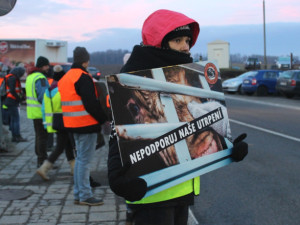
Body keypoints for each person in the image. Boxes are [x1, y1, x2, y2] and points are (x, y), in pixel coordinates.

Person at [108, 9, 248, 225]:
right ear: (159, 42)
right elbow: (117, 135)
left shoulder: (184, 74)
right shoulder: (132, 78)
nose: (185, 46)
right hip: (151, 194)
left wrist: (229, 149)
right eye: (177, 40)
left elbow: (196, 118)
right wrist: (117, 178)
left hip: (183, 188)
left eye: (187, 41)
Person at [58, 47, 108, 206]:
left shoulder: (66, 77)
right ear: (86, 61)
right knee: (84, 162)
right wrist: (103, 119)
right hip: (86, 124)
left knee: (80, 160)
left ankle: (79, 194)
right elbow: (91, 103)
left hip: (71, 125)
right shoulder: (83, 77)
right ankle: (85, 195)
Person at [36, 65, 75, 180]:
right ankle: (44, 168)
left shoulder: (49, 89)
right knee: (60, 147)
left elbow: (45, 108)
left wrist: (46, 122)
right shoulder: (65, 88)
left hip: (56, 121)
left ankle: (74, 168)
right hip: (67, 119)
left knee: (68, 145)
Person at [25, 56, 50, 167]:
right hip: (41, 112)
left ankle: (40, 157)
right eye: (46, 65)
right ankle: (42, 160)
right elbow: (43, 96)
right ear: (41, 66)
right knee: (43, 137)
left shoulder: (30, 77)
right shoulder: (41, 78)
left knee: (38, 136)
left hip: (33, 112)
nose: (48, 68)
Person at [3, 66, 27, 142]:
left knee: (13, 119)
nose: (22, 75)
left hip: (10, 100)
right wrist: (18, 99)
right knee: (15, 119)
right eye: (22, 73)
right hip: (12, 100)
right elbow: (12, 90)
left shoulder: (11, 77)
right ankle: (17, 136)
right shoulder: (13, 78)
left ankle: (15, 136)